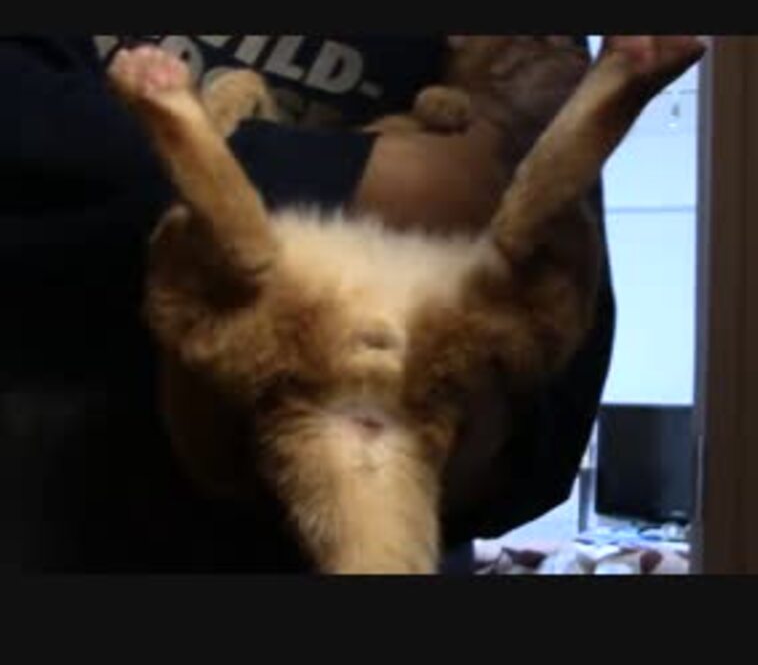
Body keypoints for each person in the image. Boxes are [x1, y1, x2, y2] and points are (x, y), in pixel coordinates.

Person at [0, 35, 615, 573]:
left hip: (178, 458)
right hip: (69, 497)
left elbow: (555, 411)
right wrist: (365, 177)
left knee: (232, 266)